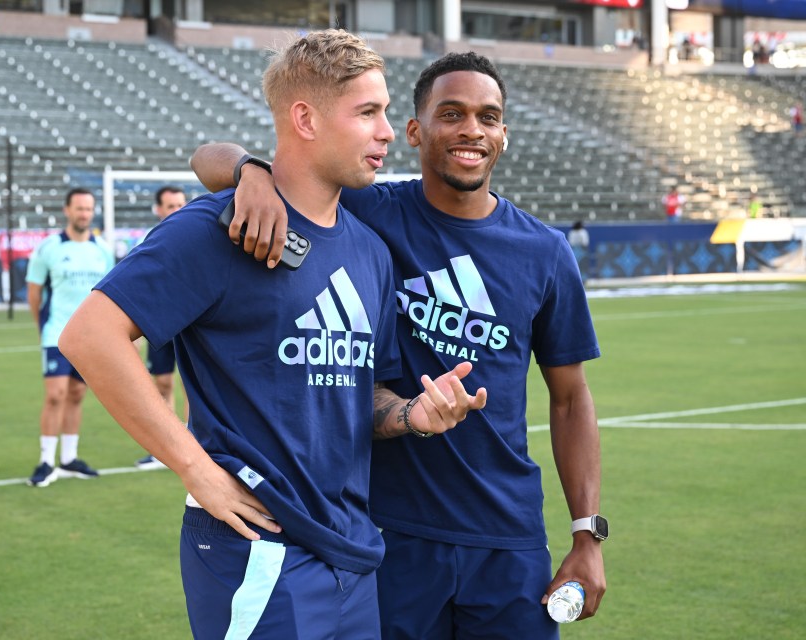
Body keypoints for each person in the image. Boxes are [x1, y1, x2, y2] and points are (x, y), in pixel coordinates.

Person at [59, 30, 486, 640]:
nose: (389, 131)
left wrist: (417, 414)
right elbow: (89, 337)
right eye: (368, 112)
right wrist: (194, 467)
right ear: (305, 118)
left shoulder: (370, 251)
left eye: (385, 111)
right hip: (257, 548)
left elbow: (361, 396)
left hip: (354, 553)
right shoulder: (220, 226)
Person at [192, 50, 606, 640]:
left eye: (489, 118)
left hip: (507, 538)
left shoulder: (544, 251)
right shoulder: (366, 210)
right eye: (452, 114)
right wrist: (252, 173)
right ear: (414, 130)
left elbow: (570, 400)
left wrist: (587, 535)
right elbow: (207, 158)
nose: (471, 130)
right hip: (389, 533)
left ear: (504, 135)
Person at [25, 188, 114, 487]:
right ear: (67, 210)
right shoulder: (49, 248)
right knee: (55, 395)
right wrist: (43, 327)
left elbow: (111, 294)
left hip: (88, 339)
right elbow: (34, 292)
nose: (84, 214)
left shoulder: (102, 249)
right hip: (56, 333)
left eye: (88, 209)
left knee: (77, 395)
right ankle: (46, 461)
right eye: (79, 208)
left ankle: (69, 458)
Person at [135, 185, 188, 471]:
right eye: (170, 206)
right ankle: (165, 450)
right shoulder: (150, 242)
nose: (177, 210)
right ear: (159, 210)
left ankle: (196, 443)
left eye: (181, 204)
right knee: (162, 383)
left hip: (192, 325)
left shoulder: (200, 238)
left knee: (193, 386)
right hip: (162, 325)